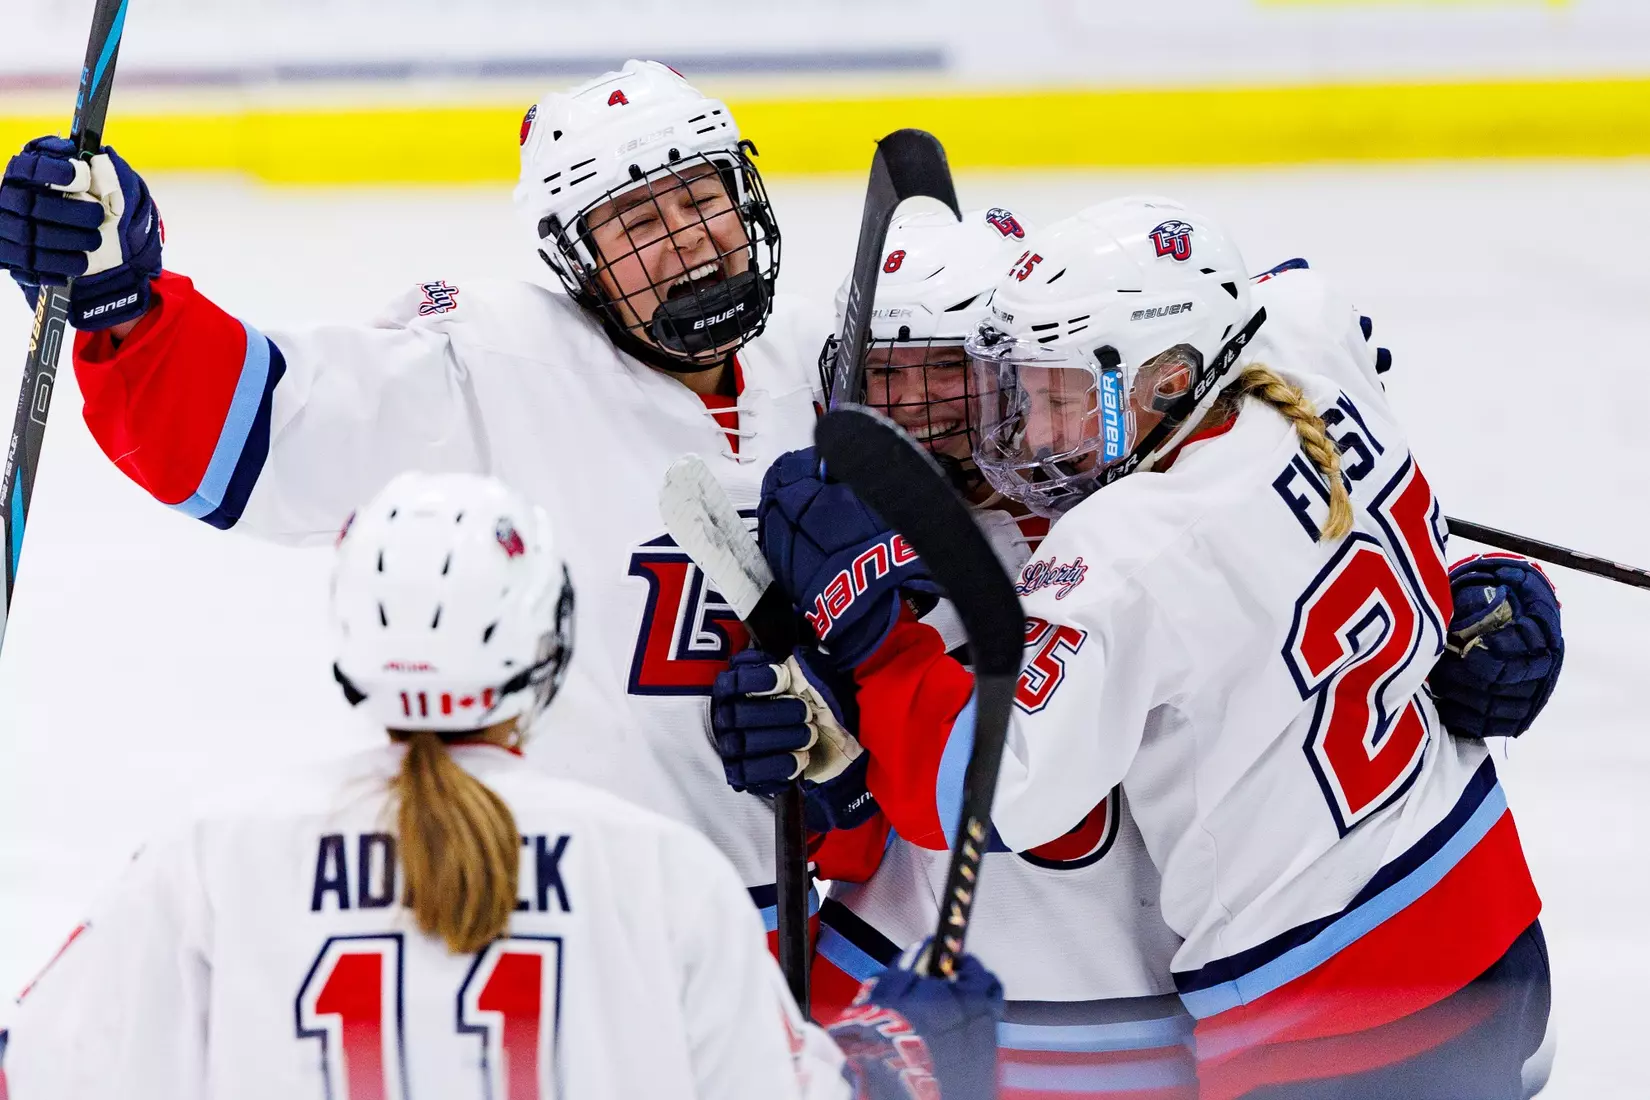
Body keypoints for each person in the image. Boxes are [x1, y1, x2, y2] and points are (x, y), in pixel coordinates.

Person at [0, 58, 889, 943]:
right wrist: (125, 305)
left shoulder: (829, 368)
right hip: (578, 922)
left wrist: (844, 746)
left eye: (701, 200)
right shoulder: (494, 369)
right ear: (576, 262)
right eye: (637, 223)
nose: (688, 237)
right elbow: (267, 431)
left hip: (810, 927)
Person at [731, 197, 1562, 1098]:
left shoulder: (1123, 547)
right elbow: (1291, 308)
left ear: (1167, 380)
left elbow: (987, 791)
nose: (1022, 429)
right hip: (1485, 912)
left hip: (1318, 1019)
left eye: (977, 383)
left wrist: (871, 635)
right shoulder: (1297, 344)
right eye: (891, 383)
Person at [0, 472, 1006, 1100]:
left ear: (350, 650)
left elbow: (37, 1068)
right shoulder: (655, 869)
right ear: (553, 646)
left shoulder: (212, 856)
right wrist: (898, 1054)